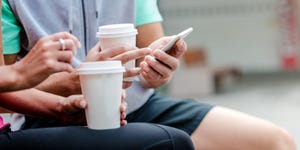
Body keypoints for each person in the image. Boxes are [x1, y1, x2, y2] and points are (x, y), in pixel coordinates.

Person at [1, 0, 296, 150]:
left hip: (138, 105)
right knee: (170, 142)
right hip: (47, 118)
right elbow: (6, 91)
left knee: (274, 141)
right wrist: (72, 84)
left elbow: (150, 71)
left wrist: (158, 69)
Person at [0, 30, 194, 150]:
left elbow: (2, 90)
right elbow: (9, 78)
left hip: (139, 103)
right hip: (29, 123)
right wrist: (20, 73)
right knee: (172, 142)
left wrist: (60, 108)